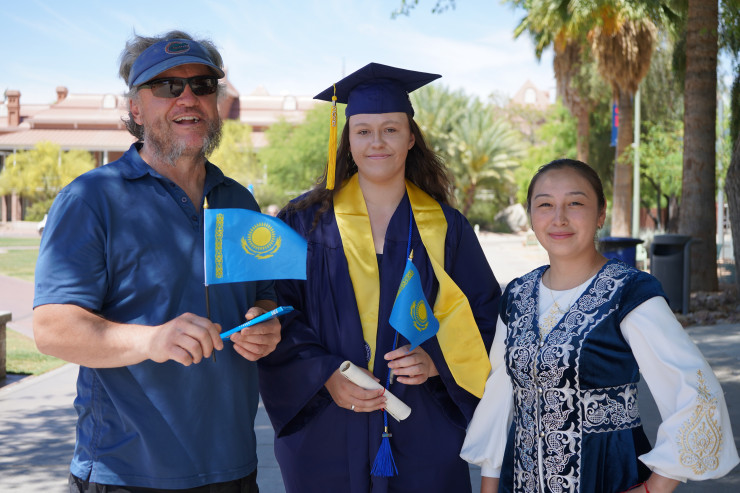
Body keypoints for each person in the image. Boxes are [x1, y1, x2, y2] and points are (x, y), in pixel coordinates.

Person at [33, 31, 281, 492]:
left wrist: (265, 323)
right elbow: (52, 328)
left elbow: (263, 298)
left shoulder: (240, 202)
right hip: (126, 470)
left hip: (233, 466)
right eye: (167, 86)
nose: (188, 98)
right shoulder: (91, 199)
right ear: (135, 108)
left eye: (202, 85)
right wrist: (153, 340)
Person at [257, 63, 502, 492]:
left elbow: (485, 315)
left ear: (411, 138)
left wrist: (438, 362)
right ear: (347, 140)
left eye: (390, 129)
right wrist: (325, 374)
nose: (377, 142)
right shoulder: (304, 222)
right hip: (328, 427)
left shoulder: (446, 227)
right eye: (363, 131)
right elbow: (277, 309)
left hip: (422, 426)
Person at [461, 159, 739, 493]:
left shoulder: (630, 292)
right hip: (520, 482)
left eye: (575, 203)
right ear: (531, 215)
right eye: (545, 205)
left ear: (601, 213)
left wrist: (654, 488)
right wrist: (489, 486)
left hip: (606, 476)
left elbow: (698, 393)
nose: (559, 218)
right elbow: (498, 399)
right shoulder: (517, 295)